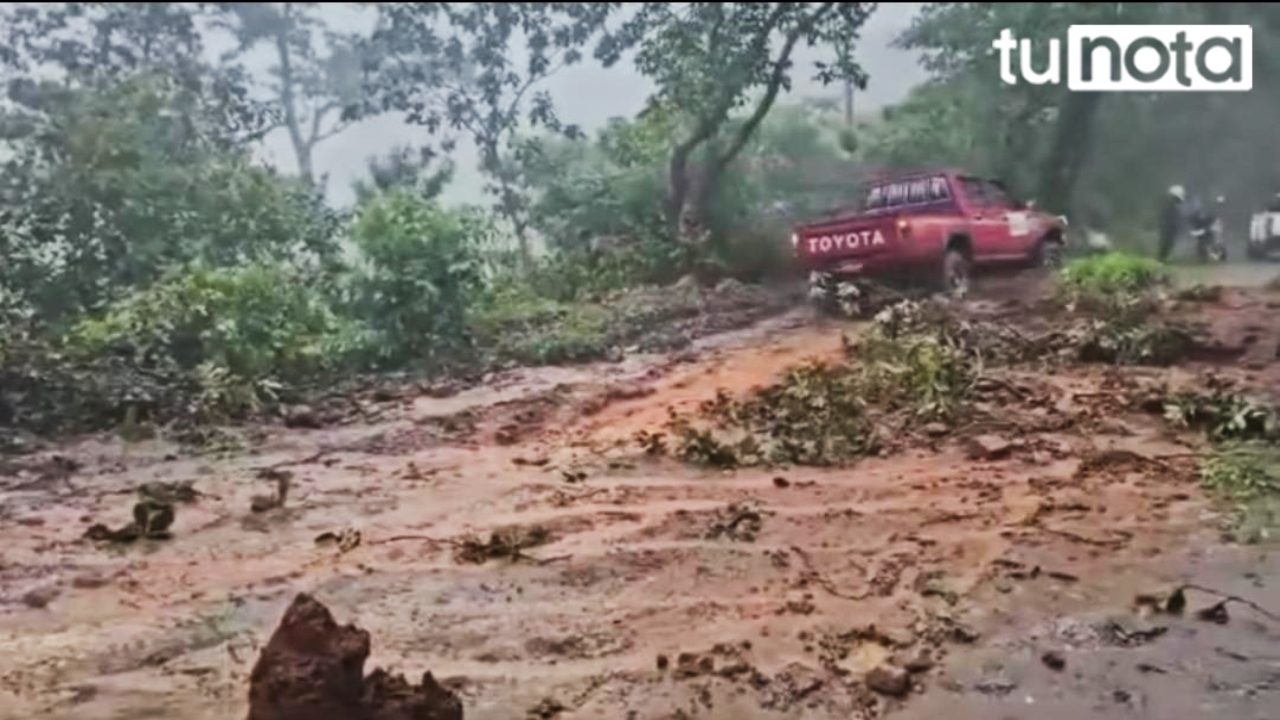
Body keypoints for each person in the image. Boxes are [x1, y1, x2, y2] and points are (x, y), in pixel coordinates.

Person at [1157, 184, 1186, 262]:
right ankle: (1161, 257)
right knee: (1166, 242)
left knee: (1169, 242)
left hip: (1170, 227)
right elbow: (1166, 217)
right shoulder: (1168, 205)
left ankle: (1163, 257)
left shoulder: (1172, 205)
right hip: (1168, 227)